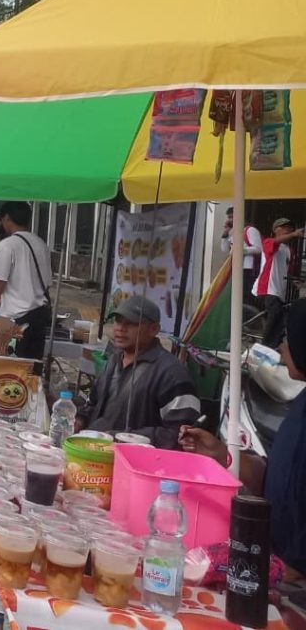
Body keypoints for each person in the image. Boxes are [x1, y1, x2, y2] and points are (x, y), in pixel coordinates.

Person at [180, 299, 306, 578]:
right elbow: (276, 479)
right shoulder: (300, 405)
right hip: (274, 563)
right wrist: (222, 454)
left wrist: (295, 570)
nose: (282, 348)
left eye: (288, 338)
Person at [76, 296, 200, 449]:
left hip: (135, 458)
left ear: (153, 329)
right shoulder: (114, 360)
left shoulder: (173, 373)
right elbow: (92, 403)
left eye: (131, 323)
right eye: (118, 321)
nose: (120, 328)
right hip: (95, 450)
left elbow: (181, 435)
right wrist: (79, 419)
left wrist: (121, 437)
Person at [0, 202, 53, 360]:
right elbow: (47, 282)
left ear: (7, 218)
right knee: (31, 368)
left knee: (10, 367)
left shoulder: (7, 245)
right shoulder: (41, 244)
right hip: (39, 318)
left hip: (16, 320)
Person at [253, 217, 304, 348]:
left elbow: (287, 271)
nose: (289, 230)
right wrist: (294, 234)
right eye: (285, 227)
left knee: (281, 319)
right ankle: (265, 347)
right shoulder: (269, 242)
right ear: (276, 229)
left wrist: (295, 282)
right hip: (267, 288)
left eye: (290, 228)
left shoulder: (289, 250)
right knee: (275, 313)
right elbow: (275, 244)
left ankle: (274, 346)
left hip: (279, 290)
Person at [221, 206, 264, 304]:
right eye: (229, 217)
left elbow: (259, 248)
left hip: (249, 269)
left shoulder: (250, 230)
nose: (231, 220)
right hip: (236, 268)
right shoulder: (233, 233)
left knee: (246, 296)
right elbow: (224, 249)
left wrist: (240, 250)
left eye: (233, 217)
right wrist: (225, 233)